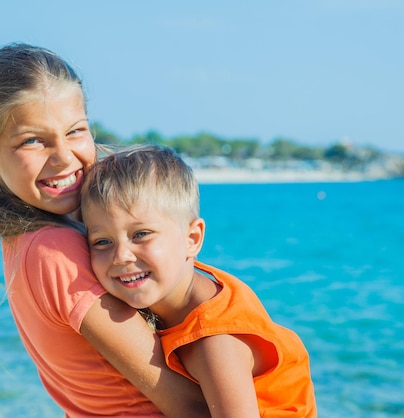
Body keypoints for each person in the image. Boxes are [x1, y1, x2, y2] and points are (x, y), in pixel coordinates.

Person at [0, 43, 210, 418]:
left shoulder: (26, 242)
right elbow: (190, 405)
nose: (64, 157)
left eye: (75, 131)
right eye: (32, 140)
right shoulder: (55, 252)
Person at [80, 144, 318, 418]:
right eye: (102, 241)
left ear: (192, 239)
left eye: (141, 234)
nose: (120, 256)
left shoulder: (215, 343)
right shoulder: (184, 284)